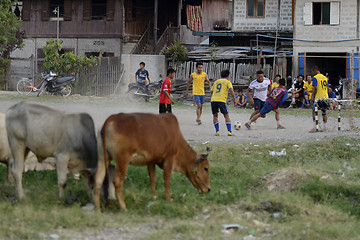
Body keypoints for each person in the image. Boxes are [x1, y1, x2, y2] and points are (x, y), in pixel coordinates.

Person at [211, 70, 237, 136]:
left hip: (213, 100)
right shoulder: (227, 82)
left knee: (215, 116)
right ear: (228, 76)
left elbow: (212, 91)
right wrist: (235, 99)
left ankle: (217, 131)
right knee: (226, 116)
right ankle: (229, 131)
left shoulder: (216, 82)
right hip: (221, 100)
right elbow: (231, 90)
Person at [309, 66, 329, 133]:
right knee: (324, 112)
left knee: (314, 111)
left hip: (318, 97)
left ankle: (314, 127)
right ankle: (325, 127)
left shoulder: (315, 78)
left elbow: (315, 88)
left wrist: (313, 97)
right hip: (325, 97)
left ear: (315, 71)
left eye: (313, 72)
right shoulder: (325, 78)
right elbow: (328, 88)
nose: (313, 73)